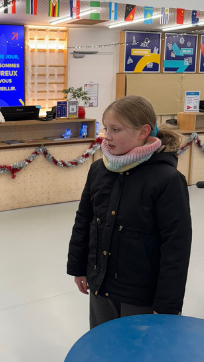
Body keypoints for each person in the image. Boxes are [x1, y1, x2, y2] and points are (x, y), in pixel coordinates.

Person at [67, 95, 192, 328]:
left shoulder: (167, 179)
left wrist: (167, 304)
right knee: (104, 347)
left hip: (141, 295)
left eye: (116, 129)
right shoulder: (98, 170)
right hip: (101, 286)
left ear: (143, 131)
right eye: (106, 128)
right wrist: (79, 268)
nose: (107, 136)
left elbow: (176, 246)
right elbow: (84, 220)